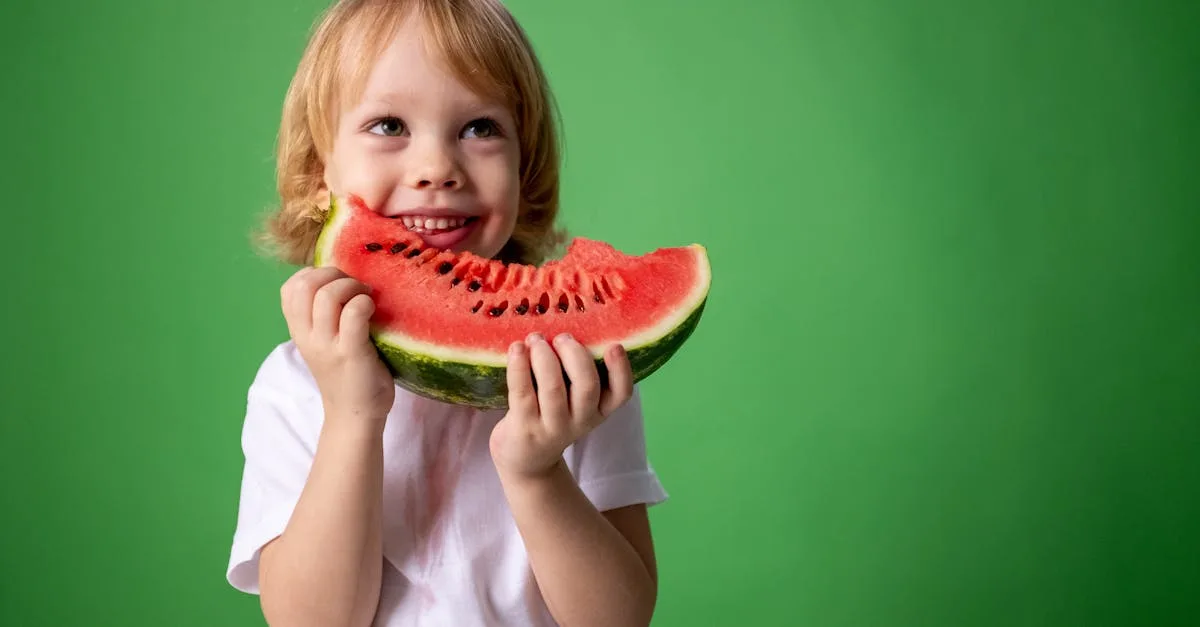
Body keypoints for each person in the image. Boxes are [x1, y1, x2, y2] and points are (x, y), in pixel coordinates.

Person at [223, 1, 668, 626]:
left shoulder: (572, 373)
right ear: (318, 171)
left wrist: (537, 474)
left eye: (480, 128)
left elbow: (619, 620)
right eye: (387, 125)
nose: (436, 169)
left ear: (525, 168)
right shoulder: (294, 387)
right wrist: (352, 415)